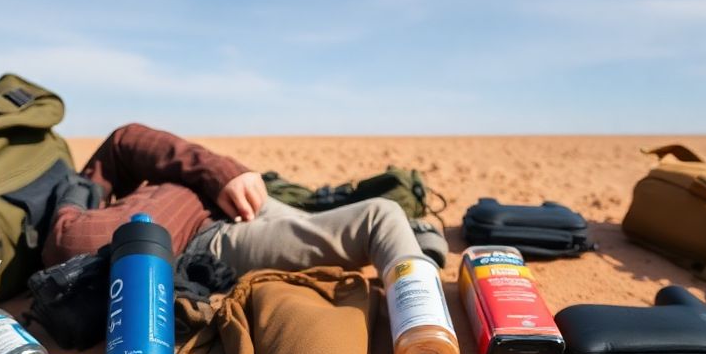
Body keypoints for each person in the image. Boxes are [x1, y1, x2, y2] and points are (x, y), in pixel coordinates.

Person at [42, 123, 427, 277]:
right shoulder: (83, 236)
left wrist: (218, 171)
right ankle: (423, 311)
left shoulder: (92, 195)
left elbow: (124, 139)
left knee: (368, 222)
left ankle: (415, 252)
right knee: (381, 216)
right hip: (210, 240)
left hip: (227, 201)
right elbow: (69, 243)